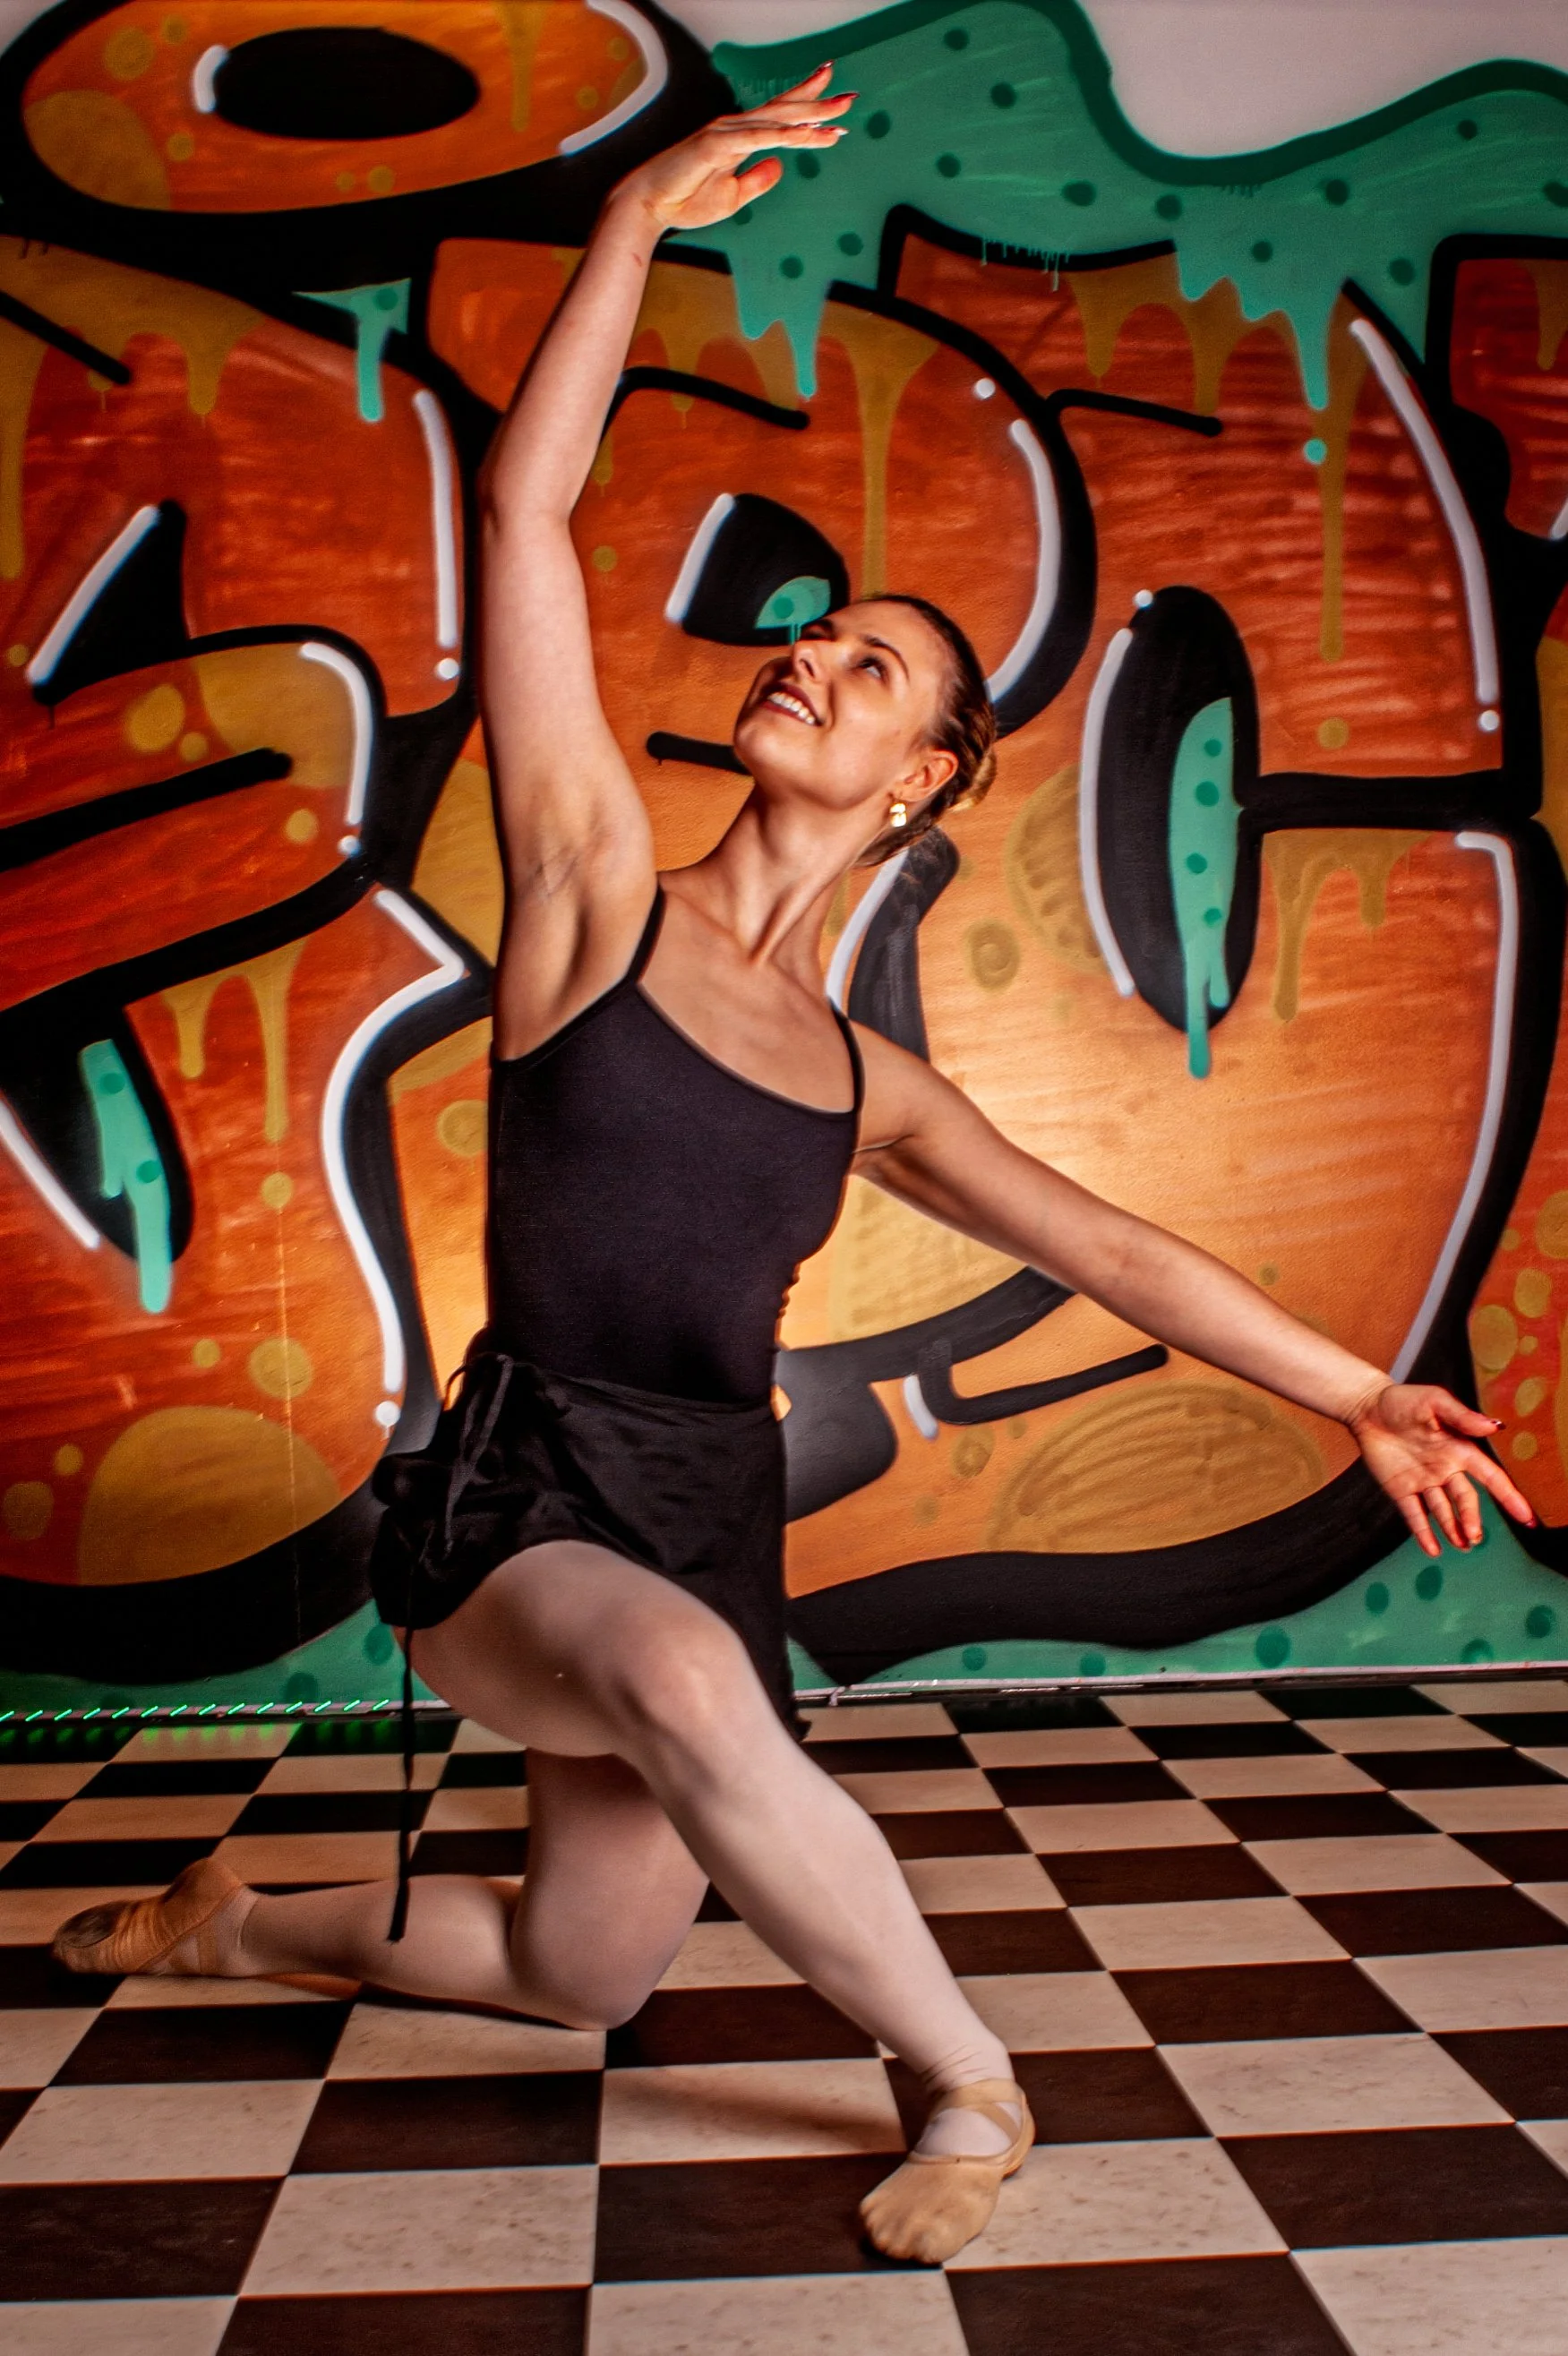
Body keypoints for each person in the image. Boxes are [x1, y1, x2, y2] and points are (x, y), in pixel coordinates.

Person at [55, 69, 1536, 2265]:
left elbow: (1112, 1244)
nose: (805, 659)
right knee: (673, 1689)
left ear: (924, 776)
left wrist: (1346, 1386)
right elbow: (529, 525)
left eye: (867, 671)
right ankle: (967, 2078)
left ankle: (243, 1923)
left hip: (701, 1508)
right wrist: (640, 206)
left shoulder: (865, 1081)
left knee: (584, 1969)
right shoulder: (590, 897)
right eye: (810, 634)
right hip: (527, 1504)